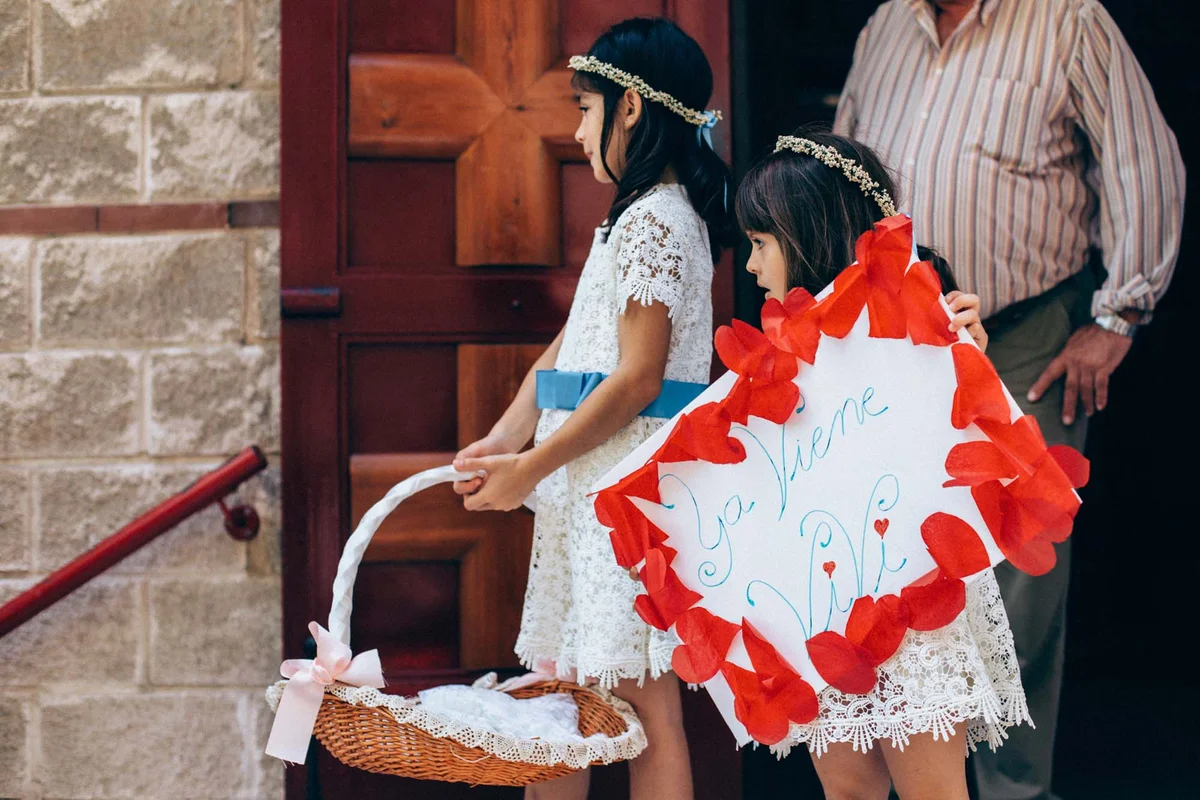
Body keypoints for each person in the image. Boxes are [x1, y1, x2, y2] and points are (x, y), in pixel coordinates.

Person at [833, 2, 1185, 796]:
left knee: (1017, 581)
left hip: (1025, 335)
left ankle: (1009, 789)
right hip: (892, 347)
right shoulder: (887, 22)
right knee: (890, 563)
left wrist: (1118, 316)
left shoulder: (1069, 21)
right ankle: (915, 780)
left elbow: (1144, 163)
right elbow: (841, 172)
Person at [451, 17, 733, 800]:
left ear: (631, 110)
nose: (575, 132)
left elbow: (639, 378)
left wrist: (531, 467)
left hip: (627, 490)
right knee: (563, 690)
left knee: (643, 701)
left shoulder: (658, 221)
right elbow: (572, 350)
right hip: (588, 487)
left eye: (584, 108)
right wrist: (503, 439)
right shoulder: (629, 219)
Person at [736, 128, 1019, 800]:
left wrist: (969, 354)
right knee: (849, 791)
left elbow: (963, 435)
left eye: (760, 244)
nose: (749, 266)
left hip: (914, 596)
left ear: (808, 235)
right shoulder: (781, 343)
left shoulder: (920, 318)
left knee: (932, 792)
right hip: (826, 597)